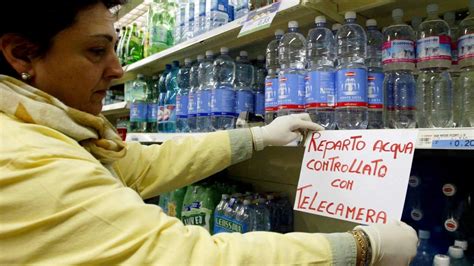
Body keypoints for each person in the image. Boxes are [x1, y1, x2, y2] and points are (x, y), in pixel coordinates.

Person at [0, 0, 418, 265]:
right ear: (22, 54)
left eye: (113, 48)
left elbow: (141, 166)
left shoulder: (47, 125)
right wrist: (361, 248)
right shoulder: (25, 157)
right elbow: (184, 257)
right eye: (95, 51)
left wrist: (256, 137)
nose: (117, 69)